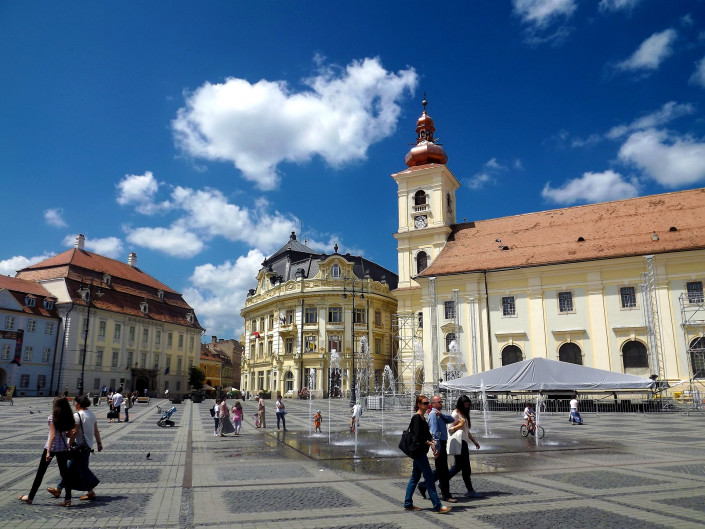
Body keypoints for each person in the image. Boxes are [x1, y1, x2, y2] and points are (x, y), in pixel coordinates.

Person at [17, 397, 75, 506]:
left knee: (40, 473)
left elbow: (52, 435)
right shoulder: (68, 417)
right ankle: (68, 500)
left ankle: (30, 497)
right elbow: (70, 434)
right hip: (62, 448)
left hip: (51, 448)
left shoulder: (52, 417)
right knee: (65, 474)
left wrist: (48, 452)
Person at [48, 395, 102, 501]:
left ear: (79, 404)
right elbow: (96, 431)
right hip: (87, 446)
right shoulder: (92, 414)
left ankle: (90, 492)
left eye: (75, 403)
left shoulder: (77, 415)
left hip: (78, 447)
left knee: (82, 470)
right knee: (70, 469)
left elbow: (74, 432)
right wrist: (99, 443)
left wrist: (68, 445)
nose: (74, 404)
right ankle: (58, 489)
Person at [403, 395, 451, 514]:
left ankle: (408, 503)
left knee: (415, 477)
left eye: (427, 403)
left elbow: (426, 434)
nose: (427, 405)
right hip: (418, 452)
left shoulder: (422, 417)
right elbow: (417, 437)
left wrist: (432, 441)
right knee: (429, 477)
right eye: (425, 403)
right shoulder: (416, 418)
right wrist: (429, 442)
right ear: (419, 404)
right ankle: (437, 505)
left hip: (421, 451)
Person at [418, 394, 457, 503]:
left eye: (441, 401)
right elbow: (434, 432)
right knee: (443, 471)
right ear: (433, 404)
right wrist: (437, 447)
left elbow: (451, 419)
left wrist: (442, 414)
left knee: (441, 470)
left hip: (443, 443)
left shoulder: (439, 414)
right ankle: (446, 495)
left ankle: (423, 485)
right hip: (439, 444)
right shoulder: (433, 415)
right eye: (439, 402)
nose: (441, 403)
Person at [447, 395, 482, 498]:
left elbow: (466, 430)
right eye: (465, 404)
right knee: (465, 467)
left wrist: (474, 441)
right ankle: (470, 490)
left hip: (463, 442)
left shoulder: (463, 413)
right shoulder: (455, 414)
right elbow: (450, 429)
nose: (467, 406)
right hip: (459, 442)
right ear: (461, 403)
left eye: (468, 404)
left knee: (460, 466)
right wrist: (459, 424)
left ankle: (443, 482)